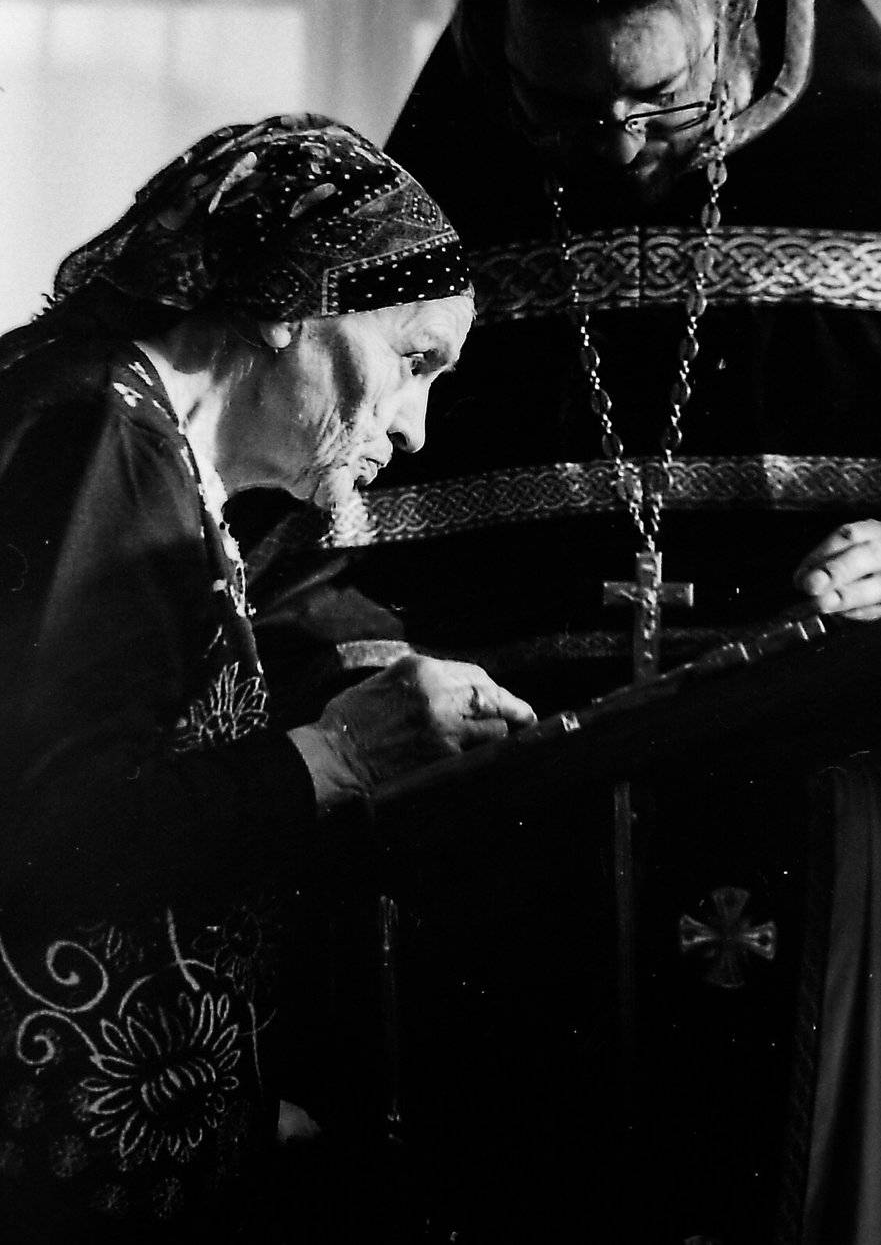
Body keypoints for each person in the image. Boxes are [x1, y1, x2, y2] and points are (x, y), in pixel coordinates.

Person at [231, 0, 881, 1242]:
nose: (617, 143)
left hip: (825, 842)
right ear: (495, 53)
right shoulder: (431, 234)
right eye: (562, 107)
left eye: (660, 100)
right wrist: (381, 670)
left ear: (735, 29)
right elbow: (282, 554)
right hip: (501, 849)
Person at [0, 114, 535, 1243]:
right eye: (413, 360)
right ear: (293, 299)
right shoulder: (98, 436)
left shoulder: (136, 438)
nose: (416, 428)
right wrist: (337, 754)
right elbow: (52, 828)